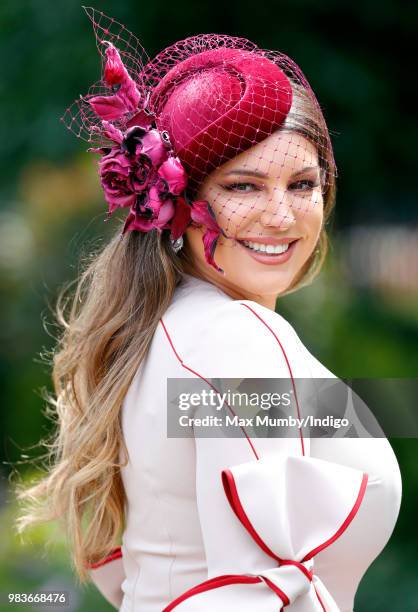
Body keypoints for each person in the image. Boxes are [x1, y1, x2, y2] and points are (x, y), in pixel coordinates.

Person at [15, 7, 402, 611]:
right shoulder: (236, 340)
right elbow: (258, 589)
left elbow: (327, 415)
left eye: (302, 183)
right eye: (242, 185)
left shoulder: (170, 326)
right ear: (177, 199)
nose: (281, 214)